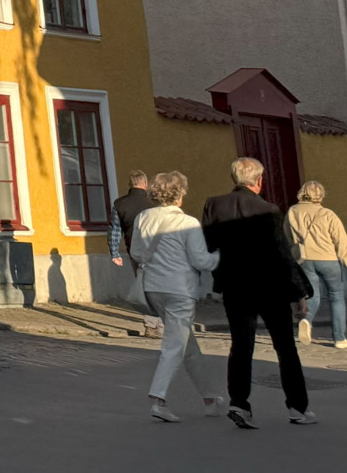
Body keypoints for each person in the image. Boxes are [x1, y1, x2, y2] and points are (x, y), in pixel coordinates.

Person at [201, 157, 313, 427]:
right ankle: (297, 407)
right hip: (269, 285)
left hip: (235, 285)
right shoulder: (269, 209)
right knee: (285, 347)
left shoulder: (214, 205)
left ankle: (239, 403)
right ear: (260, 181)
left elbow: (208, 242)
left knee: (240, 344)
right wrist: (300, 292)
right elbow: (281, 252)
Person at [130, 171, 221, 422]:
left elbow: (137, 253)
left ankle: (210, 397)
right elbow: (201, 260)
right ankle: (158, 398)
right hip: (180, 289)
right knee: (174, 345)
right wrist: (220, 257)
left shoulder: (143, 217)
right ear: (179, 195)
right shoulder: (188, 222)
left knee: (187, 345)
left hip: (152, 287)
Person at [285, 179, 347, 349]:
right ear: (320, 194)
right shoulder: (327, 214)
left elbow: (287, 237)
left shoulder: (292, 211)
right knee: (336, 297)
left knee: (312, 295)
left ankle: (306, 320)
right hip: (328, 259)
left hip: (304, 259)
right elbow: (342, 242)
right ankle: (340, 338)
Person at [111, 171, 157, 331]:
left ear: (130, 184)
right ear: (145, 184)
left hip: (134, 250)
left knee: (144, 285)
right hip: (157, 249)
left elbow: (115, 230)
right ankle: (159, 322)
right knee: (159, 285)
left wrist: (115, 252)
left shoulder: (120, 204)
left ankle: (151, 324)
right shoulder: (154, 202)